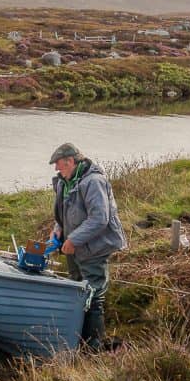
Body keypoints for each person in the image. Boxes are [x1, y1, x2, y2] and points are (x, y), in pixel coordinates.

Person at [49, 142, 127, 350]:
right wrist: (58, 230)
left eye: (59, 164)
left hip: (95, 246)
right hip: (75, 247)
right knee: (76, 290)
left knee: (93, 294)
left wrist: (74, 239)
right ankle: (76, 338)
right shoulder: (65, 182)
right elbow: (64, 214)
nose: (56, 169)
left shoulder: (93, 181)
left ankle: (94, 346)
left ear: (71, 161)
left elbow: (100, 218)